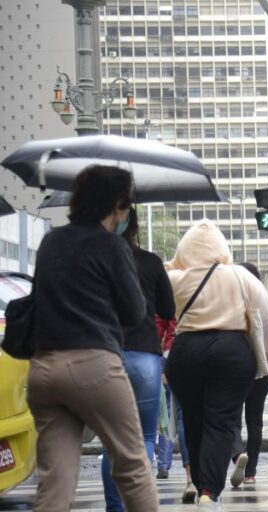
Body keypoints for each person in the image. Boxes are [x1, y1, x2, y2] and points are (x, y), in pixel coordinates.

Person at [26, 165, 159, 511]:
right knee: (132, 465)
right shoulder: (111, 247)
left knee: (55, 481)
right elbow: (134, 312)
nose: (128, 212)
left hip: (43, 370)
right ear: (114, 204)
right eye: (127, 204)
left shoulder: (51, 241)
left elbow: (40, 297)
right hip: (93, 367)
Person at [165, 220, 268, 511]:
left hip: (185, 352)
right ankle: (208, 493)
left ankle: (200, 480)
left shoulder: (176, 278)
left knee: (193, 420)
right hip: (231, 354)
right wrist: (264, 352)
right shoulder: (240, 275)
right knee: (220, 422)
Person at [99, 207, 176, 512]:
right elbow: (169, 311)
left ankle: (114, 508)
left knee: (111, 442)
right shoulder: (151, 262)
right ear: (133, 223)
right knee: (144, 438)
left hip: (108, 355)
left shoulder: (99, 261)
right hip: (146, 357)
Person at [229, 261, 268, 487]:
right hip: (262, 369)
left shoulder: (230, 304)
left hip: (236, 368)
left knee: (230, 418)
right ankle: (251, 472)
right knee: (255, 422)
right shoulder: (265, 303)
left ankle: (238, 453)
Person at [155, 316, 196, 502]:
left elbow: (159, 323)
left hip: (171, 352)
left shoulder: (171, 289)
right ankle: (204, 472)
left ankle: (171, 467)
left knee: (172, 413)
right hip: (201, 348)